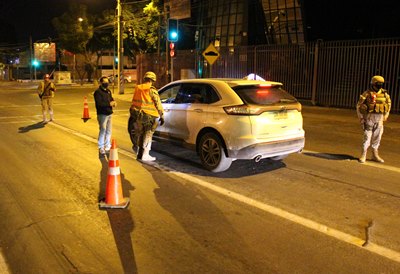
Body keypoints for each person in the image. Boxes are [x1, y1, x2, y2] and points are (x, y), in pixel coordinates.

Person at [129, 71, 164, 161]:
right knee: (148, 134)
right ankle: (145, 154)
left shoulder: (138, 88)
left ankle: (140, 154)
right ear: (153, 80)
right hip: (149, 115)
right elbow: (158, 103)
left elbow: (134, 102)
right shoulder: (151, 89)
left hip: (138, 115)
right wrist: (162, 115)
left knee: (141, 134)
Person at [356, 75, 391, 163]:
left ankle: (374, 154)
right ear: (373, 83)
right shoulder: (367, 93)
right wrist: (361, 117)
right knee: (367, 136)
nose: (379, 85)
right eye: (377, 83)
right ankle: (363, 154)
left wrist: (386, 114)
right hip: (369, 117)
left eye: (380, 83)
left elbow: (388, 104)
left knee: (377, 137)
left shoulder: (385, 94)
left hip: (379, 118)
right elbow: (359, 105)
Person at [94, 76, 117, 155]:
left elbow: (111, 99)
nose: (107, 84)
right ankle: (101, 146)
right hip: (102, 114)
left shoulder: (108, 91)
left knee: (109, 131)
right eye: (105, 82)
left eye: (107, 82)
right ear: (101, 83)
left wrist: (114, 102)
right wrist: (109, 104)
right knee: (103, 130)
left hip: (109, 113)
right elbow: (99, 104)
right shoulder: (98, 92)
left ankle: (107, 145)